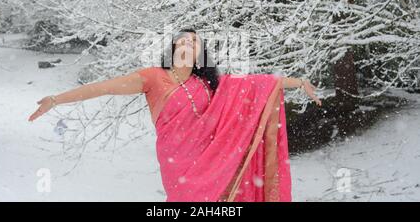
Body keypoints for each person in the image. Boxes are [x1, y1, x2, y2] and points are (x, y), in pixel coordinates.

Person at [28, 27, 322, 202]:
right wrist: (56, 99)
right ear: (172, 49)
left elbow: (258, 85)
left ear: (200, 54)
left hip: (214, 164)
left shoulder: (210, 84)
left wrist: (299, 83)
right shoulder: (153, 78)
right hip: (180, 170)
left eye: (194, 42)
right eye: (181, 41)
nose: (187, 44)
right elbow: (105, 88)